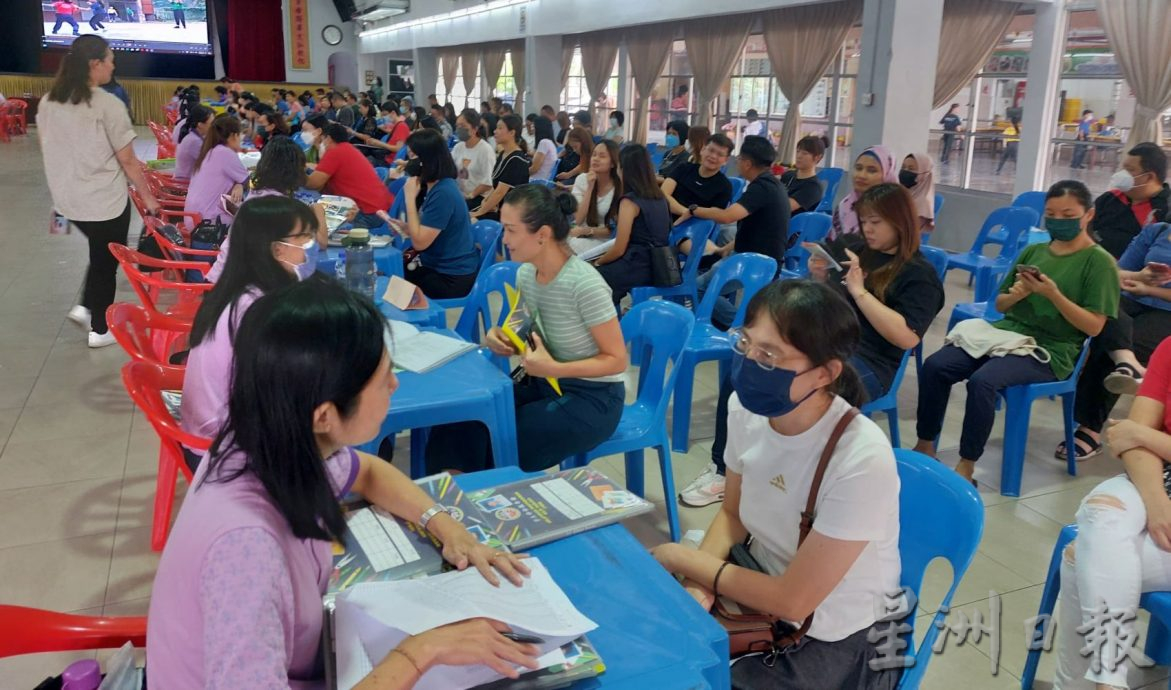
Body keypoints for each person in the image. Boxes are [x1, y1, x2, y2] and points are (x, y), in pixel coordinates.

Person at [152, 275, 539, 688]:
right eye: (384, 376)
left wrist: (445, 526)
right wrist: (422, 651)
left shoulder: (275, 441)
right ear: (324, 416)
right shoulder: (247, 546)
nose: (395, 384)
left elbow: (368, 472)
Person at [651, 279, 903, 690]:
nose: (750, 361)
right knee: (656, 653)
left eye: (769, 354)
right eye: (745, 343)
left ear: (825, 373)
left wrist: (682, 559)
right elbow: (732, 514)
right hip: (758, 590)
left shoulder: (861, 457)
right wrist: (700, 586)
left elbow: (795, 601)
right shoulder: (744, 410)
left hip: (836, 633)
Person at [912, 180, 1120, 484]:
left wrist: (1053, 295)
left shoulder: (1099, 262)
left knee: (984, 382)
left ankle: (967, 464)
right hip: (1007, 335)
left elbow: (1094, 326)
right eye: (1051, 213)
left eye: (1067, 214)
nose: (1058, 221)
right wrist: (1020, 294)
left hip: (1052, 349)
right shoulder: (1035, 251)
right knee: (936, 366)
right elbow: (1001, 303)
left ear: (1088, 215)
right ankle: (925, 445)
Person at [425, 186, 627, 474]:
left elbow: (617, 360)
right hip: (545, 382)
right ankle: (446, 501)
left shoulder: (585, 284)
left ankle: (478, 504)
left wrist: (552, 368)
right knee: (462, 417)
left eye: (510, 230)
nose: (504, 240)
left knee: (502, 438)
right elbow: (521, 323)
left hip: (593, 398)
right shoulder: (526, 273)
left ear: (542, 235)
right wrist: (502, 335)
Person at [1052, 335, 1171, 690]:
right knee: (1103, 513)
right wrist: (1157, 505)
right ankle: (1109, 679)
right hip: (1160, 479)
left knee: (1079, 559)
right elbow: (1127, 441)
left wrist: (1148, 437)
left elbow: (1136, 432)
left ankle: (1077, 685)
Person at [38, 35, 159, 348]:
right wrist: (149, 199)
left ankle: (85, 305)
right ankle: (99, 329)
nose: (113, 64)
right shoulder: (108, 104)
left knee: (98, 249)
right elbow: (129, 160)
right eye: (110, 59)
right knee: (106, 261)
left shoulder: (49, 101)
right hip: (104, 201)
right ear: (95, 65)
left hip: (66, 201)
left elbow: (48, 148)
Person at [182, 195, 319, 446]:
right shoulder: (255, 309)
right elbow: (283, 388)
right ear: (278, 249)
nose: (310, 247)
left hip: (210, 430)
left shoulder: (237, 289)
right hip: (226, 448)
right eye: (305, 238)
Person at [809, 183, 944, 402]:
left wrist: (860, 293)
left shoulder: (919, 275)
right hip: (831, 341)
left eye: (875, 222)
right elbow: (829, 303)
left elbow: (907, 338)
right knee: (758, 362)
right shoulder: (856, 248)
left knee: (808, 390)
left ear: (900, 222)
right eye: (863, 221)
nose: (867, 229)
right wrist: (820, 276)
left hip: (871, 360)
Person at [1060, 224, 1171, 461]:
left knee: (1115, 343)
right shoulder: (1158, 231)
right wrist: (1140, 277)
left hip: (1166, 311)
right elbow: (1116, 272)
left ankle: (1089, 428)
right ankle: (1127, 363)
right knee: (1104, 313)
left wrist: (1149, 289)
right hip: (1130, 300)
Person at [689, 135, 790, 326]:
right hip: (756, 257)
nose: (738, 162)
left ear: (748, 163)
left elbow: (727, 216)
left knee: (697, 288)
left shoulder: (761, 187)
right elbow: (759, 227)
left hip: (753, 263)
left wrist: (694, 209)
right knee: (707, 275)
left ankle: (743, 326)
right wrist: (727, 247)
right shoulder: (771, 184)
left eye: (740, 159)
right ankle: (734, 325)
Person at [206, 137, 326, 285]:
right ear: (294, 170)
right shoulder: (279, 207)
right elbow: (321, 243)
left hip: (220, 280)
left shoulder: (257, 193)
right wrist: (319, 210)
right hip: (237, 289)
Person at [380, 129, 479, 299]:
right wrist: (407, 227)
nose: (409, 163)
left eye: (413, 157)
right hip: (435, 265)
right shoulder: (436, 187)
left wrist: (410, 198)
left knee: (392, 287)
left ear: (426, 161)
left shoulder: (443, 193)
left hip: (451, 277)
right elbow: (428, 231)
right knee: (388, 273)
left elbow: (419, 244)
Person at [594, 144, 672, 305]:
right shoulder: (660, 198)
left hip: (637, 265)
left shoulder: (630, 201)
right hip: (658, 266)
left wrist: (598, 262)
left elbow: (619, 248)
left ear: (624, 170)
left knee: (591, 278)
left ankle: (607, 322)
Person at [307, 123, 393, 230]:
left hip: (367, 213)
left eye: (321, 140)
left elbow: (313, 184)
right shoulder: (348, 149)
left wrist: (296, 171)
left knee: (316, 225)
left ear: (328, 139)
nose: (320, 144)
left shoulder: (335, 152)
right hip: (380, 208)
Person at [1093, 142, 1170, 258]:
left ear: (1149, 177)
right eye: (1124, 168)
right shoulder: (1109, 199)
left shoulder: (1165, 211)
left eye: (1130, 170)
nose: (1122, 174)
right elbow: (1086, 229)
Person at [185, 114, 249, 230]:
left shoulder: (210, 150)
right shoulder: (224, 153)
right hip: (209, 223)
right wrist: (240, 184)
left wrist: (239, 184)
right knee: (254, 221)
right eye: (240, 135)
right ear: (233, 136)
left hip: (193, 218)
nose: (241, 139)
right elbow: (247, 180)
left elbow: (240, 180)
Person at [470, 115, 531, 223]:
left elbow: (500, 192)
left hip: (510, 216)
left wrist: (480, 212)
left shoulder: (517, 159)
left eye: (500, 128)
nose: (495, 131)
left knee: (468, 220)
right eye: (496, 128)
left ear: (512, 133)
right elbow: (496, 187)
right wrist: (486, 200)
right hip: (498, 209)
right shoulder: (504, 154)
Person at [662, 133, 734, 224]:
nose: (713, 156)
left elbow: (714, 214)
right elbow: (663, 194)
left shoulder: (725, 187)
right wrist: (685, 212)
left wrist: (689, 215)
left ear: (726, 160)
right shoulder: (683, 168)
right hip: (664, 219)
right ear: (703, 150)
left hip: (693, 230)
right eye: (711, 150)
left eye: (720, 154)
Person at [829, 145, 897, 241]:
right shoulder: (845, 205)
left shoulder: (894, 210)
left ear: (887, 175)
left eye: (871, 170)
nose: (861, 175)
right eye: (858, 168)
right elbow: (831, 242)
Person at [568, 140, 622, 256]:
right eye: (594, 154)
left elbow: (614, 230)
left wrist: (586, 231)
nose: (596, 159)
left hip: (604, 240)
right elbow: (578, 219)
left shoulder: (619, 187)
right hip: (579, 234)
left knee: (568, 251)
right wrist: (590, 187)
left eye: (602, 156)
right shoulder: (582, 180)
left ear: (613, 163)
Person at [451, 108, 496, 208]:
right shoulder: (458, 147)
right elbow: (449, 168)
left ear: (474, 129)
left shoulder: (485, 150)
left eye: (462, 126)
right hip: (461, 196)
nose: (458, 129)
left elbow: (487, 182)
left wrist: (470, 196)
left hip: (478, 199)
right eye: (457, 126)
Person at [780, 134, 826, 215]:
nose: (799, 156)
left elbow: (783, 207)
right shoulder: (788, 175)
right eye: (798, 151)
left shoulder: (813, 187)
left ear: (817, 157)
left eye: (804, 153)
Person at [173, 104, 214, 181]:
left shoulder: (193, 135)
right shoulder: (194, 141)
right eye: (211, 124)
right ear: (200, 125)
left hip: (188, 178)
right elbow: (212, 163)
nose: (214, 127)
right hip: (186, 183)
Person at [900, 152, 936, 232]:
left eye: (911, 169)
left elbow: (907, 231)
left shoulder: (922, 203)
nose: (905, 171)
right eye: (903, 167)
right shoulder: (902, 194)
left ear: (924, 174)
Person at [528, 116, 558, 181]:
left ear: (540, 127)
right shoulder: (549, 142)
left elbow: (534, 169)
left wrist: (521, 173)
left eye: (533, 126)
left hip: (536, 181)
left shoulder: (544, 142)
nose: (531, 128)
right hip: (542, 179)